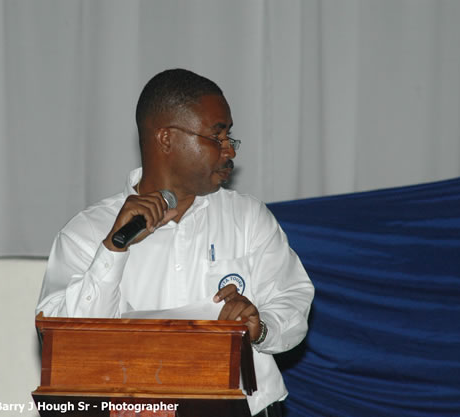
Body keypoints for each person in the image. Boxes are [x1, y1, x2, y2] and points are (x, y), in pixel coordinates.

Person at [36, 68, 314, 416]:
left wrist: (261, 327)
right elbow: (63, 342)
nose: (230, 150)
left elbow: (293, 299)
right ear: (166, 138)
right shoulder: (87, 232)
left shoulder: (247, 217)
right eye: (217, 136)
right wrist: (113, 249)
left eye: (230, 136)